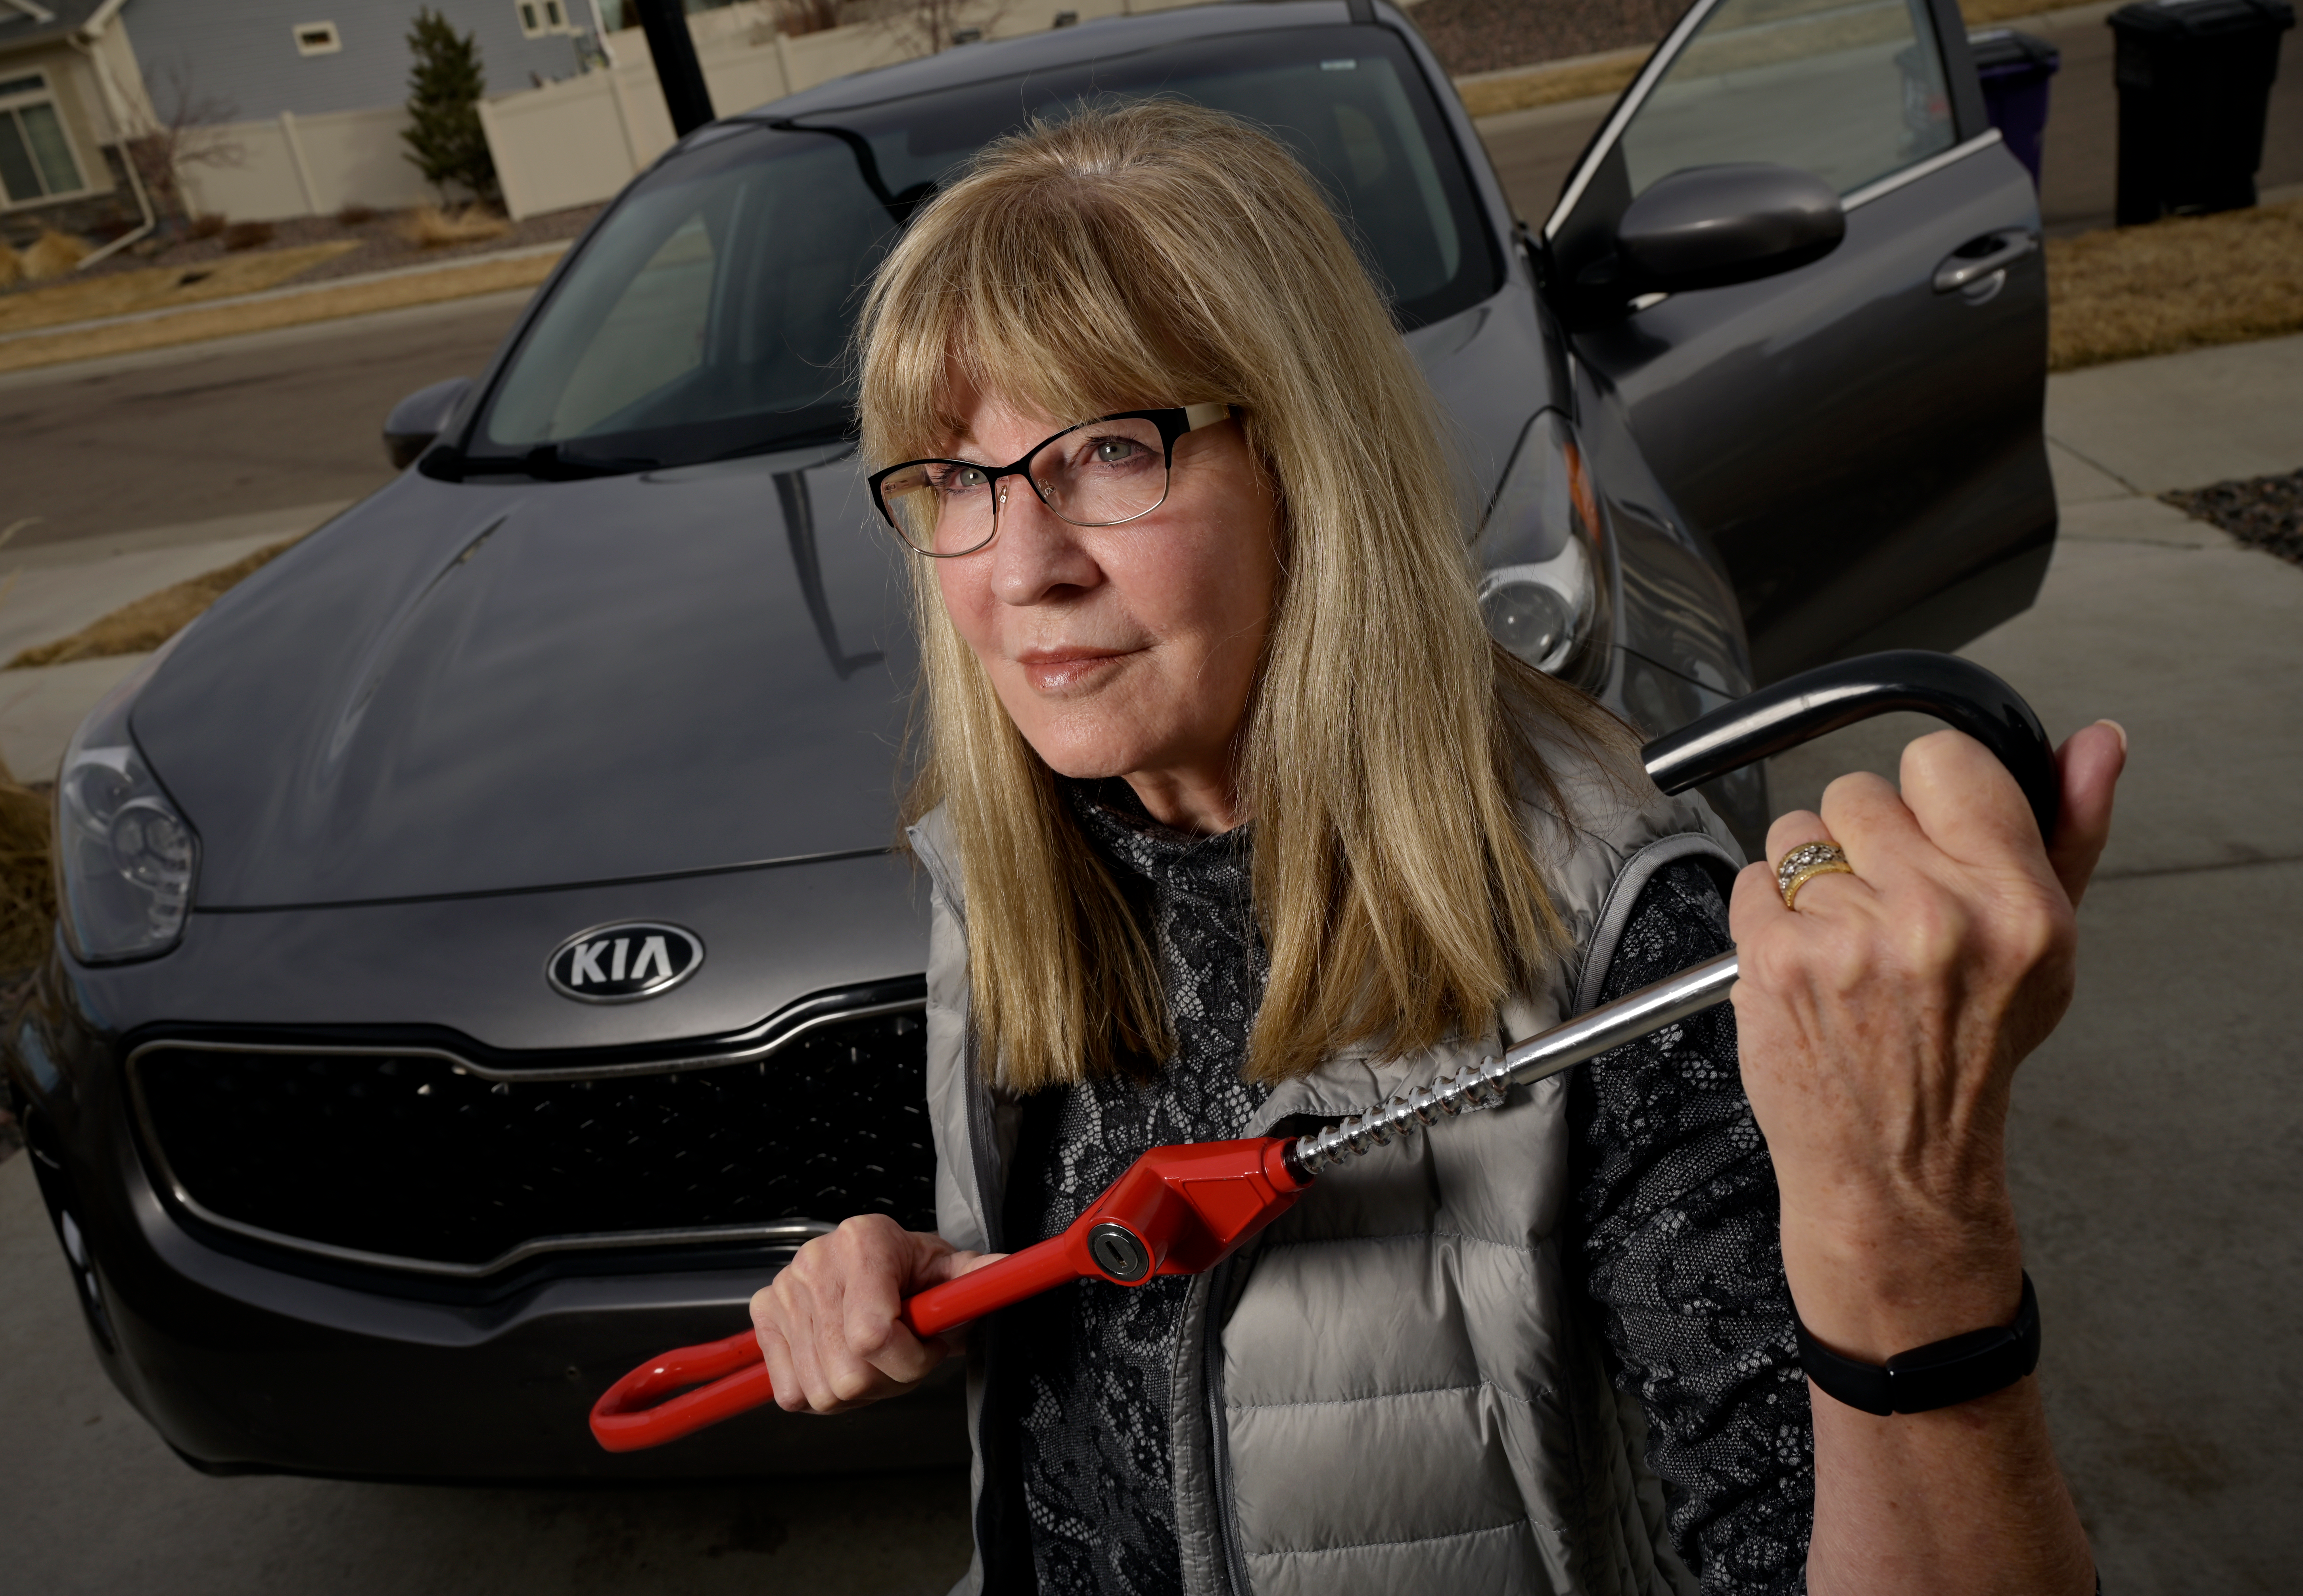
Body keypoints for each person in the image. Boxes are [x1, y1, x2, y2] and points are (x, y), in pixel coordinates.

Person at [748, 101, 2122, 1596]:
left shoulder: (1620, 956)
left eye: (1106, 451)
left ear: (1303, 464)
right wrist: (953, 1296)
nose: (1024, 568)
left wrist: (1914, 1239)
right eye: (956, 480)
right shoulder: (1031, 860)